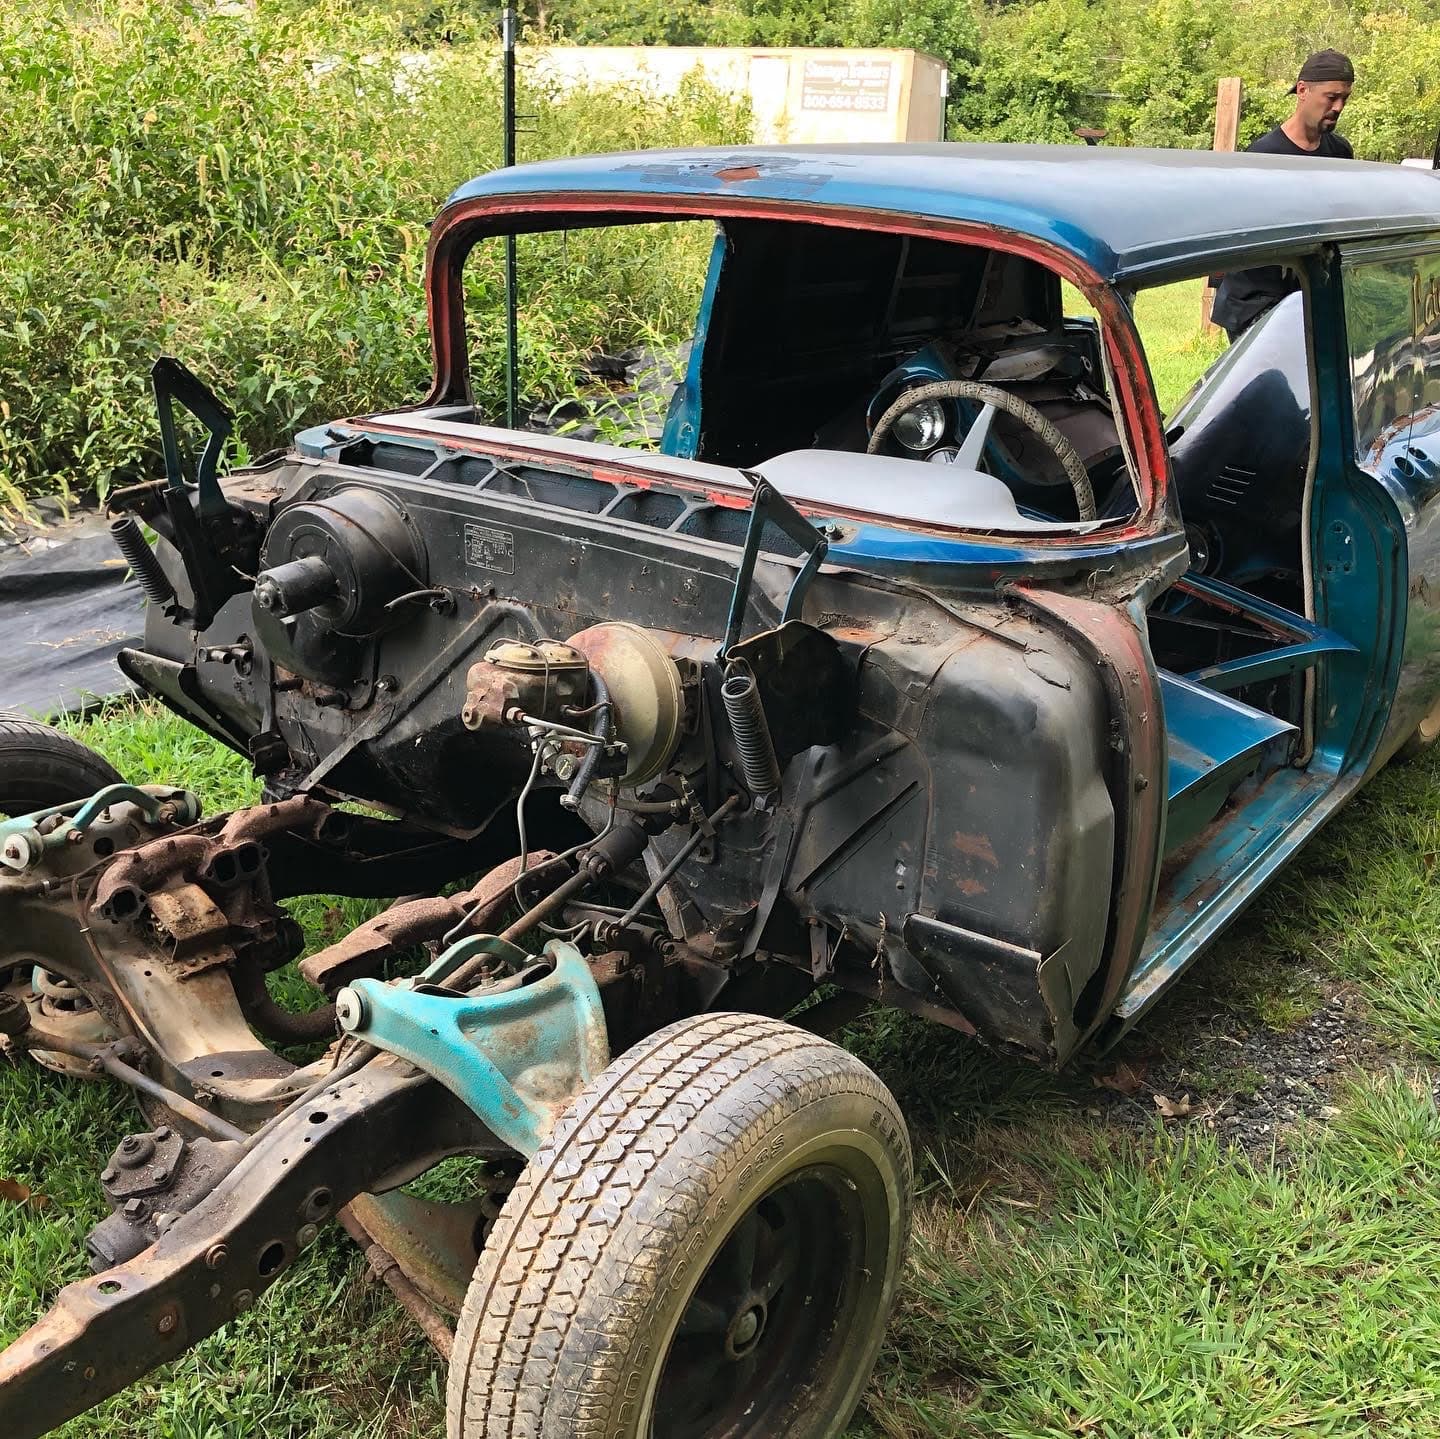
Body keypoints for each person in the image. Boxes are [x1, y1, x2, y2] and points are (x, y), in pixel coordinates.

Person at [1211, 50, 1356, 343]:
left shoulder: (1340, 154)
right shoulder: (1264, 156)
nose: (1338, 107)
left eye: (1345, 99)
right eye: (1331, 97)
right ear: (1302, 90)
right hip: (1255, 305)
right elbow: (1234, 233)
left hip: (1310, 299)